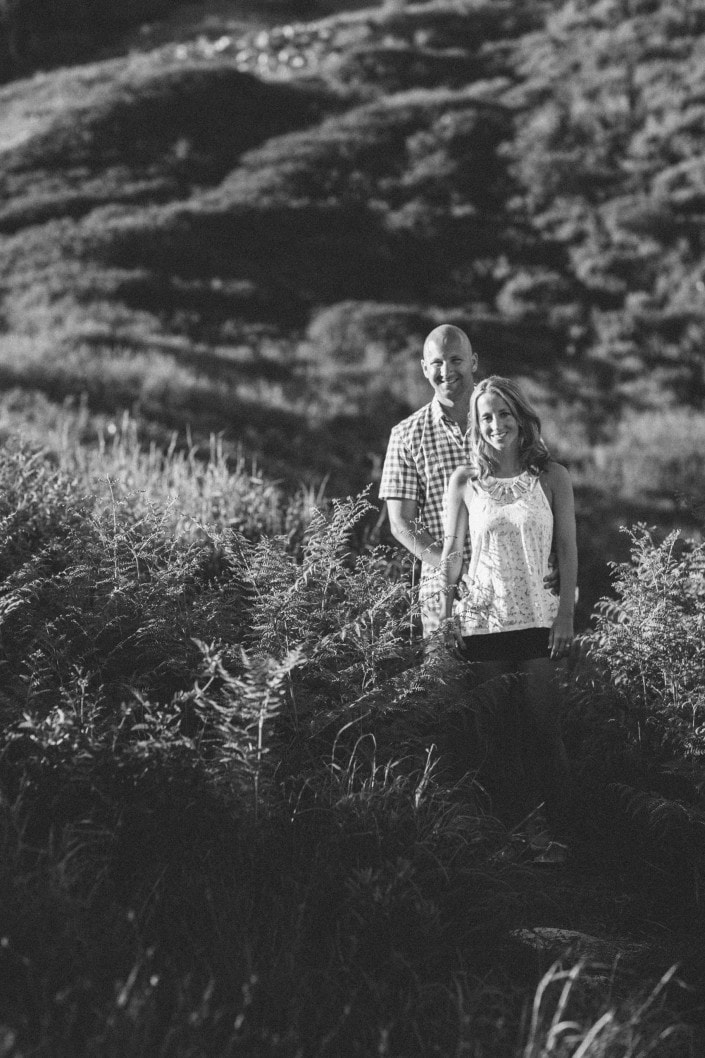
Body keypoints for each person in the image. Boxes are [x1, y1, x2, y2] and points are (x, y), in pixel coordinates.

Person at [440, 375, 577, 863]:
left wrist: (565, 615)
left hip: (538, 620)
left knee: (544, 728)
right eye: (486, 417)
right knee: (496, 734)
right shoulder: (465, 481)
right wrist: (445, 615)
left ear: (520, 417)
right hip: (482, 622)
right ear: (477, 426)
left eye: (503, 413)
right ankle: (510, 838)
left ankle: (562, 837)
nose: (496, 424)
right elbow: (453, 556)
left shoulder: (552, 477)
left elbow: (567, 550)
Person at [379, 324, 557, 639]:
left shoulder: (505, 420)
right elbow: (402, 522)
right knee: (448, 679)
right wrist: (454, 568)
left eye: (455, 360)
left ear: (473, 362)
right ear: (424, 368)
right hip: (447, 586)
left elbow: (542, 493)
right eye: (436, 363)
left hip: (519, 575)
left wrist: (552, 554)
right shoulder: (405, 436)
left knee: (521, 680)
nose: (446, 370)